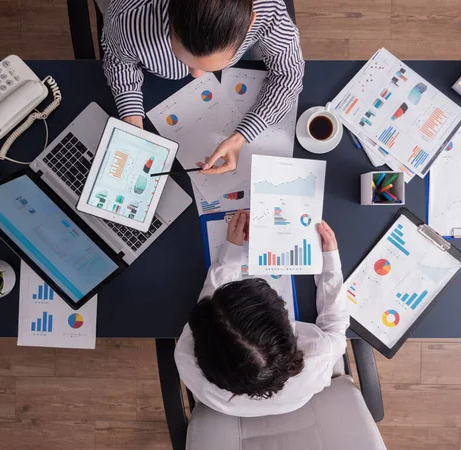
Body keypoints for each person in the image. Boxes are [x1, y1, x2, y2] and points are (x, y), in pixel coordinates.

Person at [174, 211, 350, 417]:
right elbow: (336, 327)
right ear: (288, 333)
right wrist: (330, 265)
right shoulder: (318, 357)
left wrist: (230, 255)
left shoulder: (186, 357)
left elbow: (209, 308)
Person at [102, 0, 304, 175]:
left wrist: (242, 136)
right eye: (187, 61)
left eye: (206, 66)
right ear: (170, 18)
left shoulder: (267, 9)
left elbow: (288, 74)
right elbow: (118, 61)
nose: (196, 75)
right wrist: (132, 120)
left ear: (251, 22)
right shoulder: (128, 18)